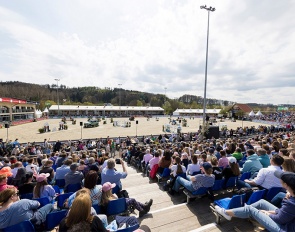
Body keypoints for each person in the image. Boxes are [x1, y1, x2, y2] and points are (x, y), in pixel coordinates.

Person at [214, 171, 295, 232]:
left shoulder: (291, 203)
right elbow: (284, 212)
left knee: (250, 209)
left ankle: (227, 213)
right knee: (262, 202)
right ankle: (240, 212)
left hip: (284, 229)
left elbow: (280, 219)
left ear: (286, 185)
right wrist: (289, 193)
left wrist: (267, 213)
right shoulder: (292, 196)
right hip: (288, 221)